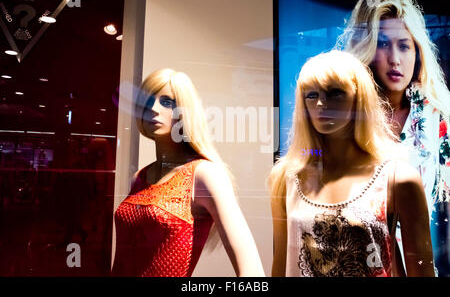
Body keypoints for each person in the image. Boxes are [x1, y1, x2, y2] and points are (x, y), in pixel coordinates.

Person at [269, 50, 434, 277]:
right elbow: (280, 264)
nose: (320, 103)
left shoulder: (398, 179)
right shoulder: (286, 178)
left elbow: (422, 271)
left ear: (359, 98)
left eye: (334, 92)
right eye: (311, 95)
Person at [338, 0, 450, 276]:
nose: (395, 58)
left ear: (418, 51)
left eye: (404, 45)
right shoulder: (343, 116)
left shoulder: (441, 117)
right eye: (383, 44)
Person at [111, 68, 265, 277]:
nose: (154, 109)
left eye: (167, 102)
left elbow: (252, 272)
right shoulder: (139, 177)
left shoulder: (204, 175)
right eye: (147, 102)